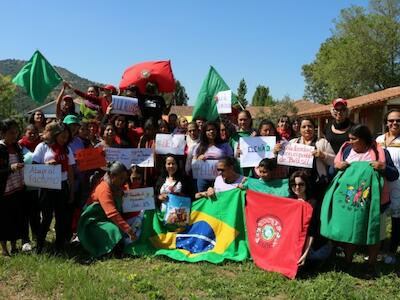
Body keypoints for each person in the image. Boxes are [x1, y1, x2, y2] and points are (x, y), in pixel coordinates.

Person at [332, 124, 399, 278]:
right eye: (349, 139)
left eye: (353, 139)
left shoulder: (379, 152)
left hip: (376, 203)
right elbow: (333, 171)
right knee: (350, 231)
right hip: (351, 202)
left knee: (374, 233)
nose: (350, 142)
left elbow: (394, 174)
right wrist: (337, 166)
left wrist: (383, 167)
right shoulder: (347, 150)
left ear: (363, 139)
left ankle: (371, 265)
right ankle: (348, 262)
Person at [32, 121, 75, 252]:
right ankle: (40, 246)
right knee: (46, 217)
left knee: (61, 218)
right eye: (62, 136)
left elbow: (70, 171)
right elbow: (33, 167)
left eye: (67, 137)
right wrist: (46, 165)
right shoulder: (43, 147)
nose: (64, 139)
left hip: (62, 186)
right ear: (55, 135)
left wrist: (71, 191)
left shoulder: (67, 149)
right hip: (47, 187)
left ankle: (59, 245)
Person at [77, 161, 136, 257]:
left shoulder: (117, 187)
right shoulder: (104, 188)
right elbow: (112, 213)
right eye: (121, 178)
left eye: (124, 178)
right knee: (114, 230)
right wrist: (128, 230)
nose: (123, 181)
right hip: (93, 222)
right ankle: (105, 251)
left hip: (106, 219)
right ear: (112, 176)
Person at [279, 117, 335, 201]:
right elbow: (283, 160)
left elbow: (334, 161)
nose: (307, 129)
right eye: (304, 127)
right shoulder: (292, 143)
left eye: (309, 126)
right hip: (296, 186)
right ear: (300, 129)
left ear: (314, 128)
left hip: (316, 186)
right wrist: (277, 151)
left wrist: (323, 155)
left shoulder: (322, 142)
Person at [289, 171, 331, 266]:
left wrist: (305, 254)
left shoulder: (313, 203)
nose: (297, 187)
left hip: (315, 244)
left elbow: (312, 231)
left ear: (306, 185)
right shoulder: (289, 201)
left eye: (301, 184)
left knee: (310, 259)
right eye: (293, 184)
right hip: (297, 241)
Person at [376, 109, 400, 264]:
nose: (395, 123)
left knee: (397, 220)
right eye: (391, 120)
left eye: (398, 120)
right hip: (381, 185)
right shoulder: (378, 140)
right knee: (380, 218)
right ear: (386, 122)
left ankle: (391, 252)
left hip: (399, 185)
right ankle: (377, 250)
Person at [0, 119, 25, 256]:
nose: (14, 135)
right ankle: (4, 249)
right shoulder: (0, 148)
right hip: (4, 191)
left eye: (16, 133)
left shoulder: (16, 147)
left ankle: (14, 247)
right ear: (3, 133)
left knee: (16, 218)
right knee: (4, 220)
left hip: (17, 188)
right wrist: (10, 168)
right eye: (11, 133)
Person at [18, 124, 41, 252]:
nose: (32, 135)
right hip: (23, 187)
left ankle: (37, 237)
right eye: (29, 132)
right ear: (25, 133)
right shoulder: (19, 146)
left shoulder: (41, 145)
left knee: (36, 215)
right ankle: (25, 240)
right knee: (24, 215)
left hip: (38, 187)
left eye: (34, 133)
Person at [192, 121, 233, 192]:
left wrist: (224, 162)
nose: (211, 131)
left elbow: (232, 161)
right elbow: (193, 165)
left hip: (221, 177)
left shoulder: (225, 145)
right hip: (203, 179)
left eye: (213, 129)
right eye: (208, 130)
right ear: (204, 132)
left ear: (217, 131)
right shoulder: (199, 146)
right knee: (203, 199)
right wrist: (198, 160)